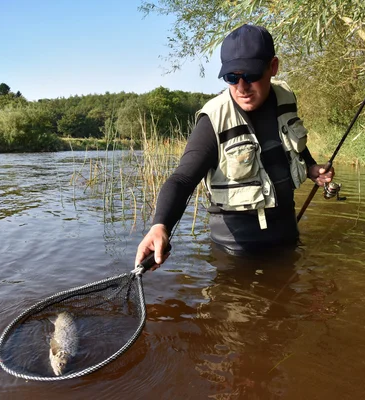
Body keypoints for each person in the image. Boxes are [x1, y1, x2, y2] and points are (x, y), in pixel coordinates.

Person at [135, 24, 334, 268]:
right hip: (236, 252)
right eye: (232, 77)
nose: (242, 87)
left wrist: (312, 167)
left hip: (287, 238)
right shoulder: (213, 120)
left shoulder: (286, 97)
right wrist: (160, 225)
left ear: (273, 67)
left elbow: (293, 143)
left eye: (251, 75)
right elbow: (182, 179)